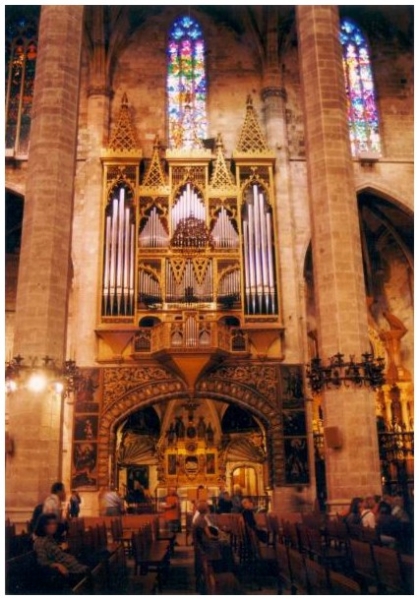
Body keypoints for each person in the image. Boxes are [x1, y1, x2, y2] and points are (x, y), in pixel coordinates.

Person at [33, 513, 89, 590]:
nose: (53, 526)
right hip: (71, 571)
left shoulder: (49, 538)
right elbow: (42, 562)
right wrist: (56, 565)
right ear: (43, 526)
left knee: (99, 559)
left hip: (73, 565)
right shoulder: (40, 542)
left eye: (54, 523)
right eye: (50, 524)